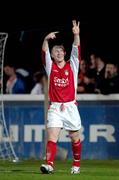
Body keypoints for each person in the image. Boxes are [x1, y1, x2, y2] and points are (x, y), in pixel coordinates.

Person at [40, 20, 82, 174]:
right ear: (52, 54)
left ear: (65, 53)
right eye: (55, 50)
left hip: (70, 106)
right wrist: (45, 39)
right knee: (52, 135)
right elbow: (44, 52)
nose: (58, 52)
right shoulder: (50, 67)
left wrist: (76, 35)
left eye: (61, 50)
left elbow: (76, 49)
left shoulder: (72, 66)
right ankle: (49, 164)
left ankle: (76, 164)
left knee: (75, 137)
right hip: (56, 107)